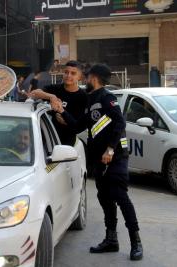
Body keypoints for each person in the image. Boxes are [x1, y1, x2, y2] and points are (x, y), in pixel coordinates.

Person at [51, 64, 143, 261]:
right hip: (99, 160)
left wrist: (110, 148)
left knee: (120, 197)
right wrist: (62, 112)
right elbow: (77, 126)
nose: (84, 79)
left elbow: (120, 123)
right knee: (105, 198)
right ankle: (111, 240)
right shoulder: (91, 99)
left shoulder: (107, 97)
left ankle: (136, 242)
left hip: (115, 157)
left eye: (87, 77)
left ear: (94, 78)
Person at [30, 61, 88, 145]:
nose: (68, 75)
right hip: (47, 141)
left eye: (73, 73)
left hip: (67, 144)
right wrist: (51, 97)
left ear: (80, 77)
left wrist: (63, 115)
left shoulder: (83, 97)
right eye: (66, 72)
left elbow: (79, 127)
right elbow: (34, 93)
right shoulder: (55, 89)